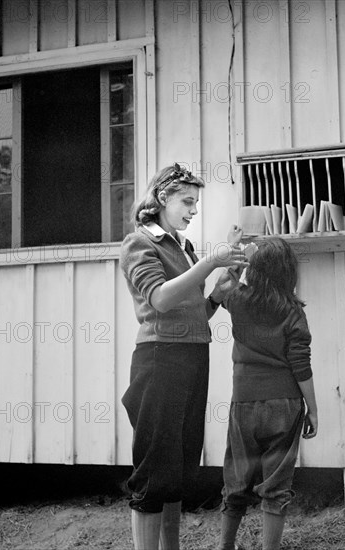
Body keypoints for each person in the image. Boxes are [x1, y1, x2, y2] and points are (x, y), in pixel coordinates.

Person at [120, 163, 247, 550]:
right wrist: (211, 263)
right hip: (159, 359)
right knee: (155, 467)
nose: (193, 210)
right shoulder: (140, 242)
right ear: (162, 198)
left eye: (196, 203)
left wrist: (219, 292)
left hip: (192, 356)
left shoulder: (183, 247)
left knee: (178, 467)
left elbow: (194, 312)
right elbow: (159, 299)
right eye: (187, 202)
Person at [218, 237, 318, 550]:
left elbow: (220, 291)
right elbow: (301, 367)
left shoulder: (238, 298)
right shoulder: (293, 312)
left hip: (244, 402)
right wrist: (313, 409)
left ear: (255, 269)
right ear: (290, 273)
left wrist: (239, 261)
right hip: (284, 405)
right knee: (276, 486)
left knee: (236, 481)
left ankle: (225, 547)